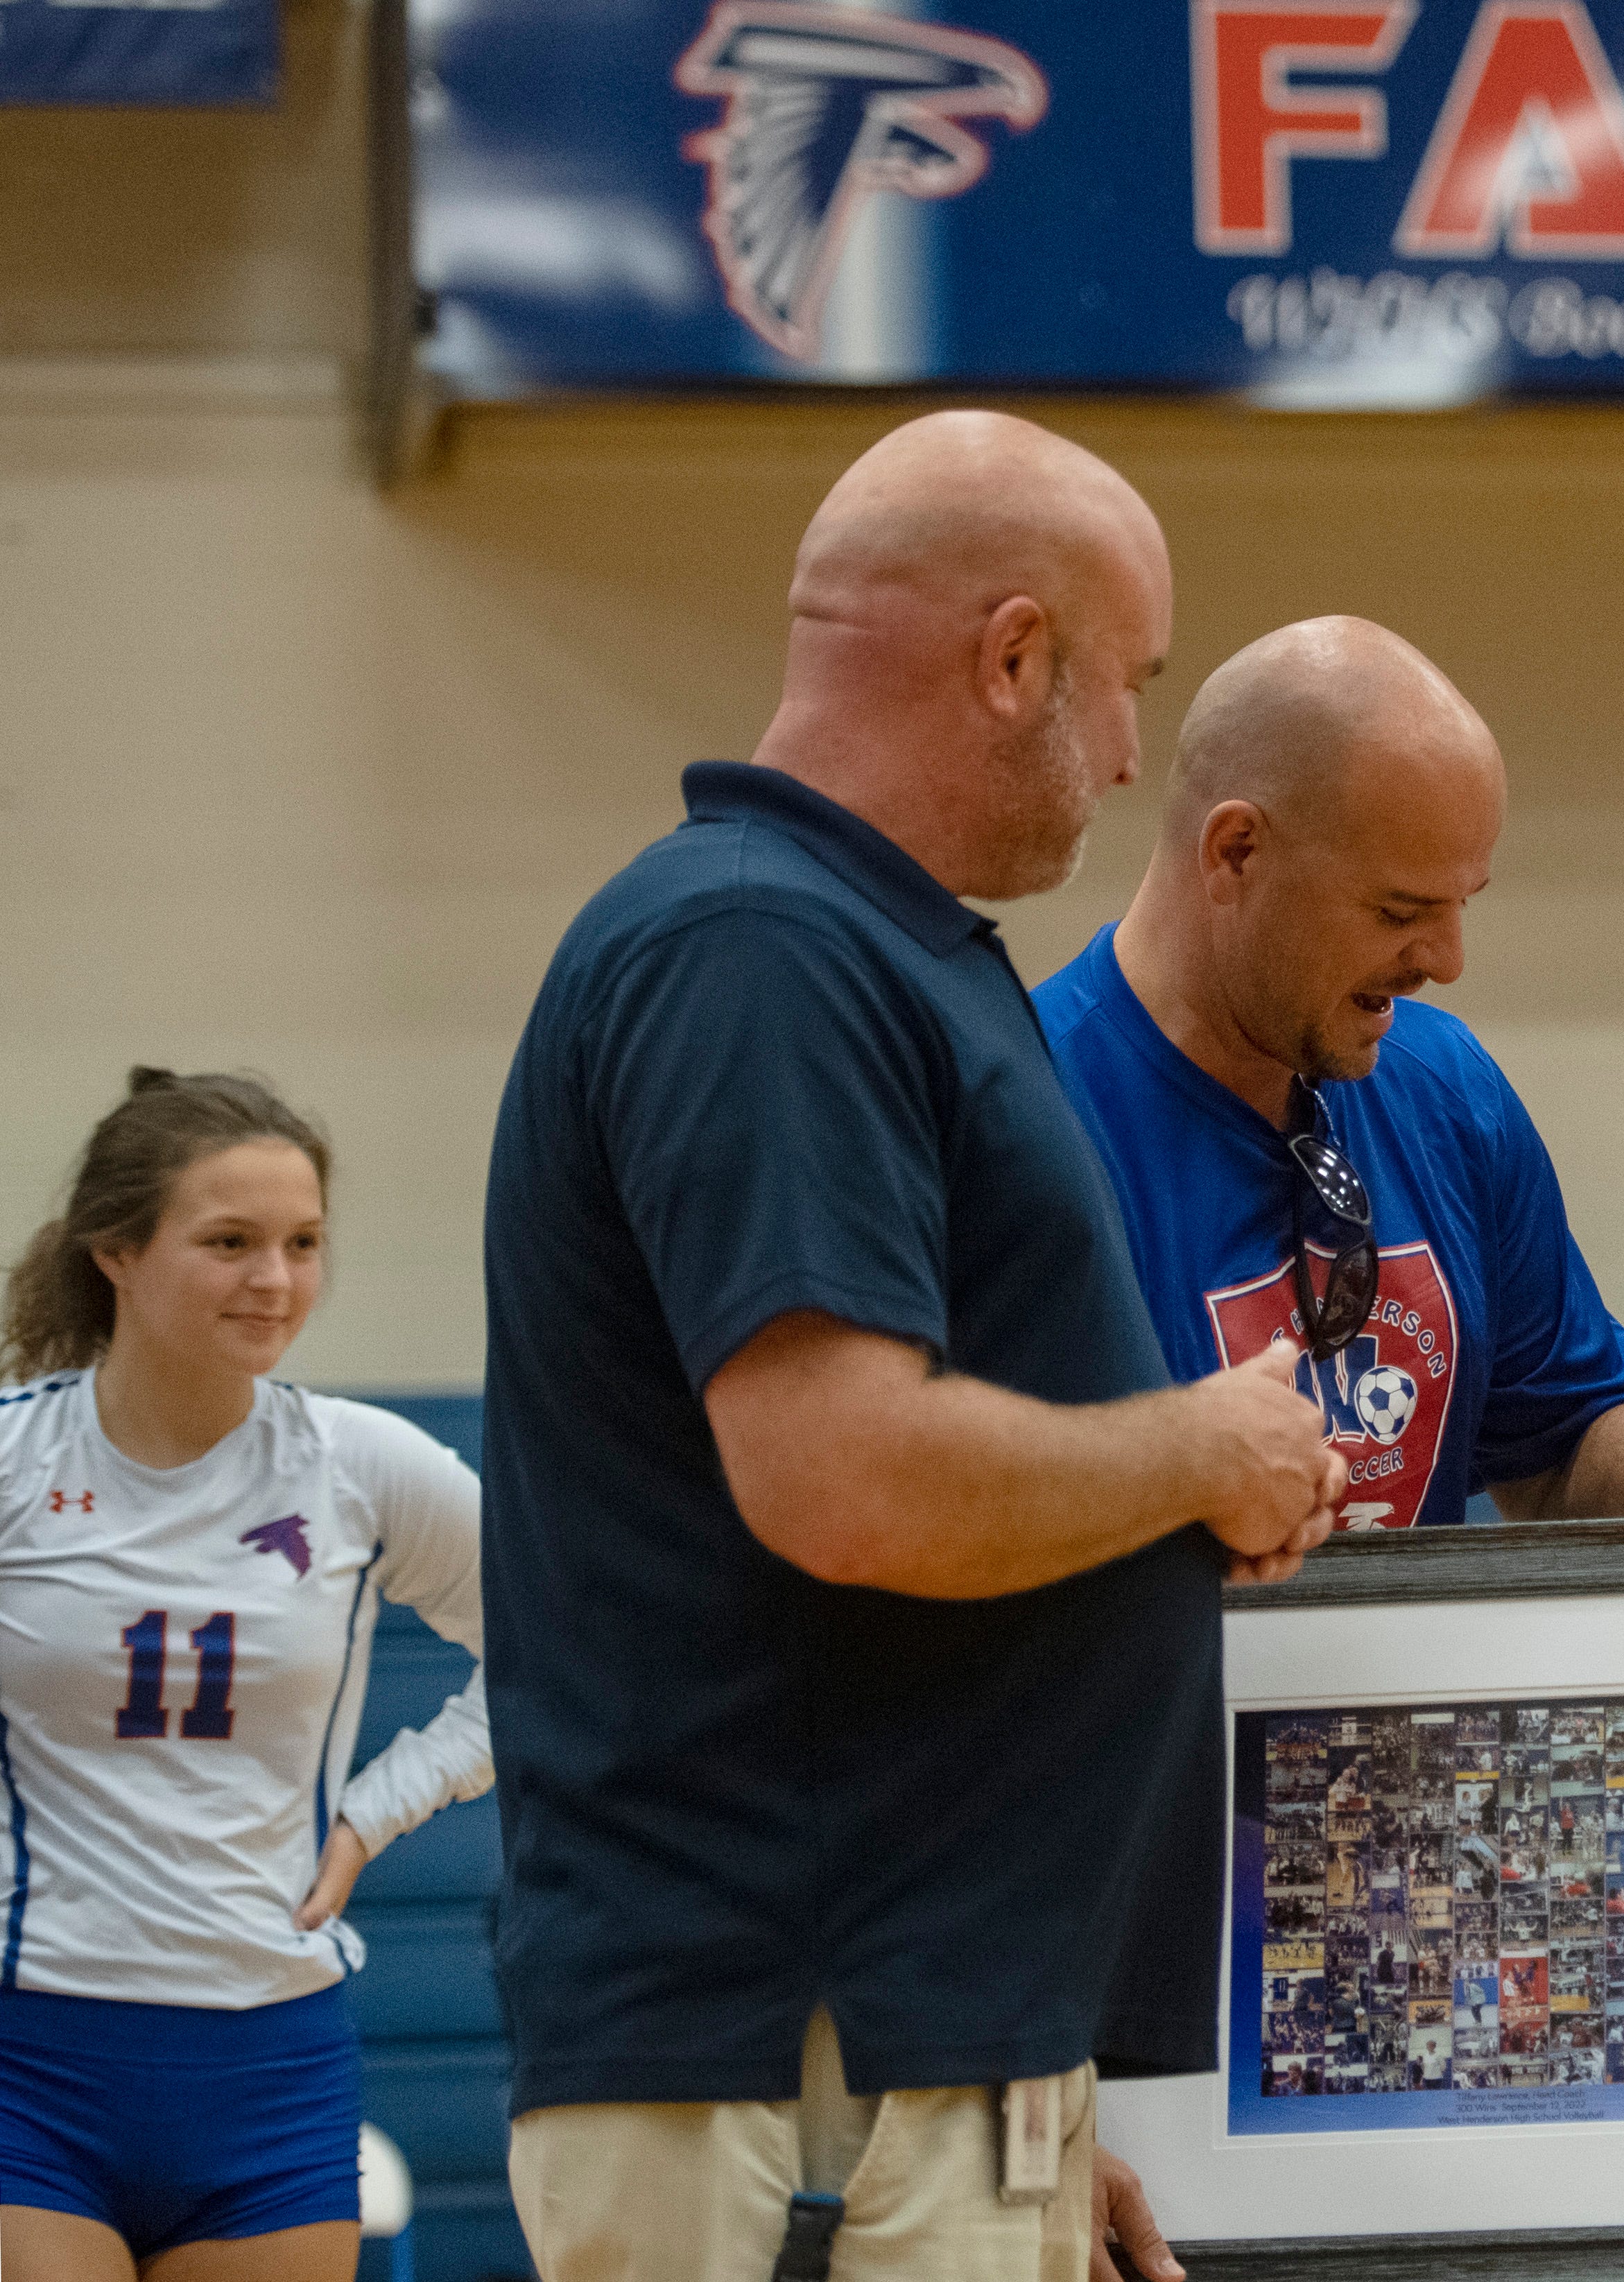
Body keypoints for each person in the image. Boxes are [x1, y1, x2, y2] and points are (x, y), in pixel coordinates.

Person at [481, 410, 1347, 2282]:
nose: (1129, 751)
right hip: (788, 2041)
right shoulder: (758, 952)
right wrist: (1203, 1451)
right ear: (1014, 654)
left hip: (907, 2033)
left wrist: (1031, 2082)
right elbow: (846, 1474)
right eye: (1124, 686)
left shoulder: (876, 951)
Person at [1037, 614, 1624, 1548]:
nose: (1446, 958)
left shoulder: (1443, 1084)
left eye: (1460, 904)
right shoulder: (1026, 1106)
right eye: (1400, 910)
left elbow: (1559, 1452)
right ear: (1237, 852)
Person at [0, 1069, 490, 2282]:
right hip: (31, 2046)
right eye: (230, 1242)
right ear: (115, 1247)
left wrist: (378, 1812)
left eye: (303, 1243)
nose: (275, 1281)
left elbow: (566, 1660)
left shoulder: (360, 1465)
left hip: (267, 2057)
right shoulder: (14, 1456)